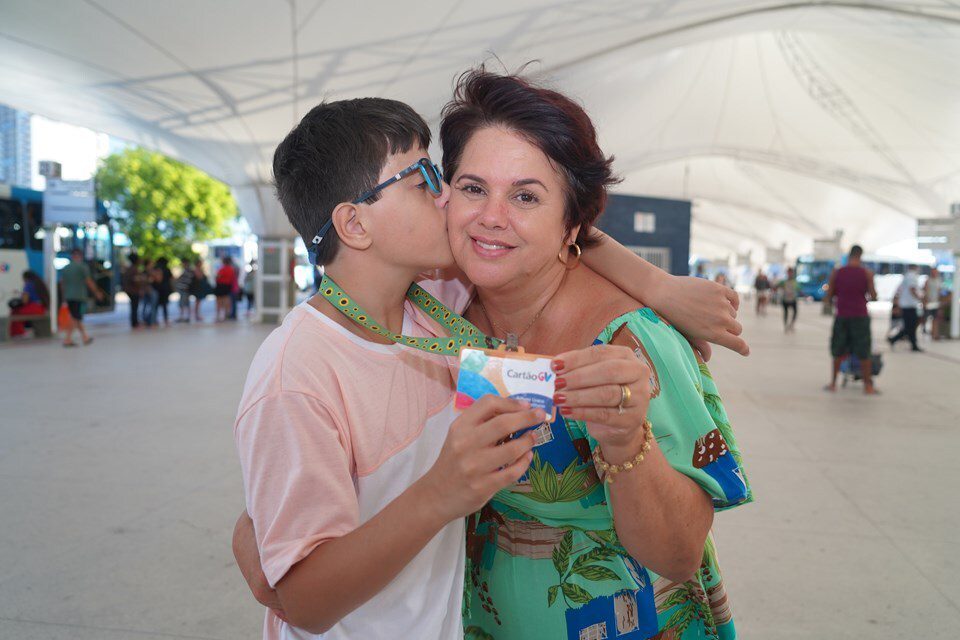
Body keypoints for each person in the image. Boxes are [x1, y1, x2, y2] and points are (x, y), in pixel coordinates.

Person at [231, 95, 748, 640]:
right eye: (467, 186)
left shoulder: (622, 339)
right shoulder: (438, 296)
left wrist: (657, 287)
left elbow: (680, 550)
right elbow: (305, 560)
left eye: (525, 195)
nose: (482, 214)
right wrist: (261, 532)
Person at [825, 245, 879, 393]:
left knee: (838, 350)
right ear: (860, 255)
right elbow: (874, 296)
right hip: (860, 316)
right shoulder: (867, 273)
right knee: (864, 351)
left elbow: (829, 296)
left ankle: (833, 384)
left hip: (842, 316)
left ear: (849, 255)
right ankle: (868, 386)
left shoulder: (837, 273)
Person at [59, 249, 104, 346]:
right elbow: (88, 281)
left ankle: (85, 337)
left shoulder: (66, 268)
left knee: (76, 317)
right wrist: (97, 292)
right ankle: (67, 339)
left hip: (69, 296)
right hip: (79, 296)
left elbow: (62, 283)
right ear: (80, 256)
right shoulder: (82, 267)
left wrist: (64, 296)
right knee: (75, 317)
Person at [888, 264, 922, 352]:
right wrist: (920, 298)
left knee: (910, 326)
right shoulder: (911, 276)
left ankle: (912, 344)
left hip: (906, 305)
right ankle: (896, 339)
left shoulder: (907, 276)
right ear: (915, 268)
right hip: (909, 305)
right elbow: (912, 289)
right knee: (911, 326)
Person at [9, 270, 50, 337]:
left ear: (25, 278)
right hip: (41, 308)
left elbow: (25, 300)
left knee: (14, 312)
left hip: (33, 308)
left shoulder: (28, 284)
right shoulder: (39, 283)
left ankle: (17, 333)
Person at [121, 253, 146, 329]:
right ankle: (135, 323)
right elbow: (136, 280)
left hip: (130, 290)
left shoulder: (130, 268)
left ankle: (135, 322)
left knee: (134, 307)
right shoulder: (134, 269)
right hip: (133, 291)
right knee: (134, 307)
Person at [214, 255, 238, 322]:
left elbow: (218, 277)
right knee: (226, 301)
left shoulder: (222, 269)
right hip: (227, 286)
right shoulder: (231, 269)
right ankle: (225, 315)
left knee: (219, 301)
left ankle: (218, 315)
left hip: (221, 286)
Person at [922, 266, 942, 340]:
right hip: (928, 302)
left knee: (935, 318)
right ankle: (923, 329)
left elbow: (939, 291)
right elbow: (925, 290)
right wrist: (925, 301)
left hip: (935, 302)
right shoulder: (928, 280)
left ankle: (935, 334)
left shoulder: (939, 280)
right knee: (925, 318)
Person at [154, 257, 174, 327]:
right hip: (165, 289)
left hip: (157, 288)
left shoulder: (156, 268)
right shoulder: (166, 269)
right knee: (164, 305)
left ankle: (155, 319)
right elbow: (171, 279)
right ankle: (165, 319)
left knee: (156, 305)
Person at [778, 266, 799, 332]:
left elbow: (799, 288)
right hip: (785, 299)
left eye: (791, 272)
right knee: (786, 313)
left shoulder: (795, 281)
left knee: (795, 312)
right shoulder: (783, 281)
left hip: (793, 299)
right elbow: (777, 286)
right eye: (789, 272)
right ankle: (786, 325)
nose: (790, 273)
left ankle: (791, 324)